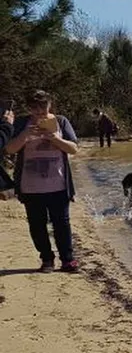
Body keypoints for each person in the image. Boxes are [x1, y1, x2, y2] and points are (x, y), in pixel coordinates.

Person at [5, 90, 80, 272]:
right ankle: (47, 259)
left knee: (62, 223)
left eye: (43, 107)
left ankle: (67, 260)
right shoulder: (22, 123)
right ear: (29, 108)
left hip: (59, 184)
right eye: (34, 108)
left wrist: (54, 138)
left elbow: (73, 149)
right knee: (37, 225)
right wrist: (24, 135)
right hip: (30, 186)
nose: (39, 112)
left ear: (50, 105)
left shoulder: (61, 121)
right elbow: (9, 149)